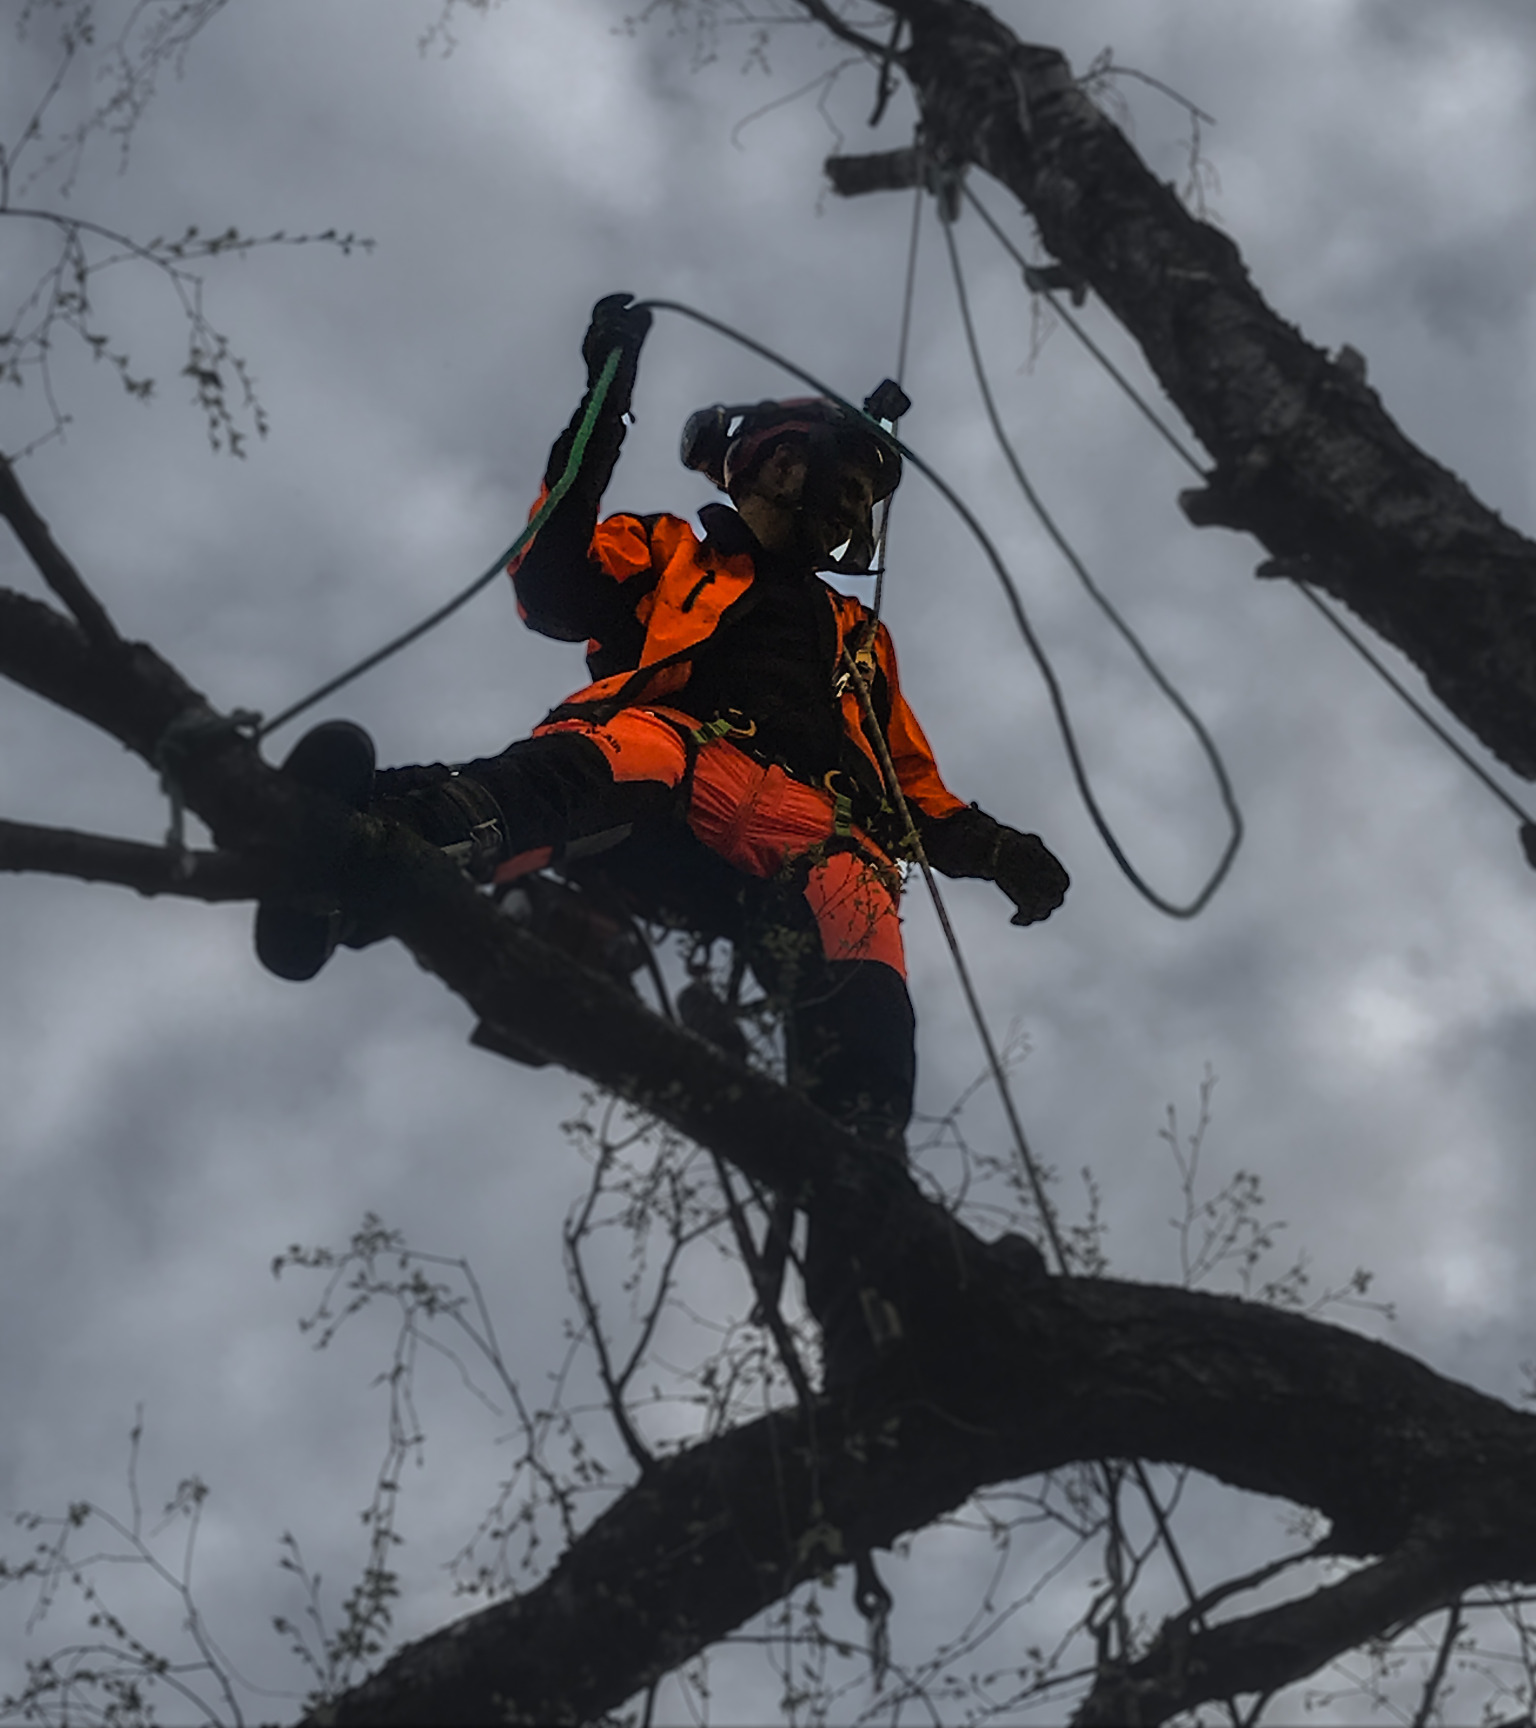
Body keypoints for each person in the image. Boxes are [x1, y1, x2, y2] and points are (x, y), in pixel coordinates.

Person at [255, 295, 1068, 1365]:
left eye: (867, 499)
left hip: (817, 831)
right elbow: (553, 581)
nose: (853, 509)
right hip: (677, 765)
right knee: (617, 753)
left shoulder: (856, 635)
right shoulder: (674, 550)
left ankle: (871, 1261)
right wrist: (605, 400)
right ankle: (376, 849)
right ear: (779, 462)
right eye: (847, 481)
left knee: (866, 949)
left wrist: (996, 849)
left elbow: (912, 784)